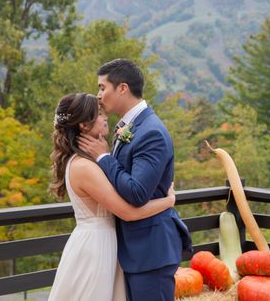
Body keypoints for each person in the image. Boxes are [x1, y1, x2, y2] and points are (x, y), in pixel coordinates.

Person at [78, 59, 192, 301]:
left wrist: (104, 157)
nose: (99, 95)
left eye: (102, 87)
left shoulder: (150, 132)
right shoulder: (130, 127)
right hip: (133, 250)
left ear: (122, 88)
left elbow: (137, 193)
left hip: (150, 251)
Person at [47, 93, 176, 301]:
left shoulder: (88, 161)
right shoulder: (83, 166)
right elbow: (127, 213)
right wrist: (168, 201)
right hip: (94, 250)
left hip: (105, 243)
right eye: (97, 114)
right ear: (83, 126)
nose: (104, 116)